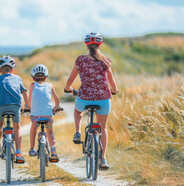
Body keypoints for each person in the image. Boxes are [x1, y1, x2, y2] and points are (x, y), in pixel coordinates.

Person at [64, 32, 118, 170]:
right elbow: (111, 80)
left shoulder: (81, 60)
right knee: (103, 128)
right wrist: (115, 90)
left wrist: (68, 88)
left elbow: (71, 78)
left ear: (86, 45)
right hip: (103, 99)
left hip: (85, 97)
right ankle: (104, 159)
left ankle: (77, 132)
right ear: (100, 45)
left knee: (77, 111)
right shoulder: (106, 61)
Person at [0, 56, 29, 163]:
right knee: (17, 127)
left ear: (0, 70)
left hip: (0, 106)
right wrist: (27, 106)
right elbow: (24, 92)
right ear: (12, 69)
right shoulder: (18, 78)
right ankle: (18, 152)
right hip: (15, 106)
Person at [28, 64, 61, 162]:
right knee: (50, 132)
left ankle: (32, 148)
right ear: (46, 77)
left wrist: (28, 107)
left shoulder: (32, 85)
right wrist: (57, 107)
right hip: (48, 114)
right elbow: (57, 99)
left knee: (33, 129)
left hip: (35, 116)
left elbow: (30, 100)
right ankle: (53, 151)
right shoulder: (50, 85)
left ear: (33, 77)